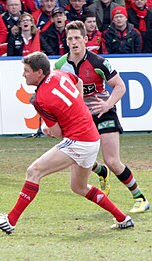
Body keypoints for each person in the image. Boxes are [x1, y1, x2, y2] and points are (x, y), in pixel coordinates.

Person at [0, 51, 134, 234]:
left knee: (34, 171)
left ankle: (10, 221)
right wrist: (76, 106)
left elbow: (58, 133)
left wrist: (50, 130)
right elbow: (78, 81)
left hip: (78, 141)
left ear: (39, 72)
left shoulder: (40, 99)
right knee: (79, 187)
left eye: (26, 71)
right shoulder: (59, 73)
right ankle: (123, 218)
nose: (23, 74)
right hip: (92, 138)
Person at [54, 20, 150, 213]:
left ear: (85, 39)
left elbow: (120, 86)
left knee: (112, 160)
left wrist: (108, 104)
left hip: (103, 112)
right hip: (79, 118)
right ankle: (100, 171)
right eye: (70, 38)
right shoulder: (60, 65)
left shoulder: (98, 62)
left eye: (77, 38)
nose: (73, 42)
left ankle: (140, 198)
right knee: (75, 157)